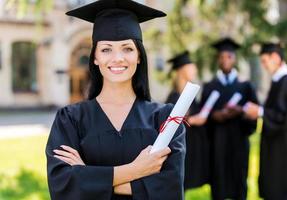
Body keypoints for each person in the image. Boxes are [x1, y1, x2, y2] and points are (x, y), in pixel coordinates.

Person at [45, 0, 186, 199]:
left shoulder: (165, 119)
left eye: (127, 48)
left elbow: (170, 188)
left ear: (139, 56)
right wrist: (135, 170)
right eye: (106, 49)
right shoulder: (70, 119)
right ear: (95, 57)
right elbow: (62, 185)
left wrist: (87, 177)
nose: (117, 58)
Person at [201, 38, 258, 200]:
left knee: (239, 182)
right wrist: (214, 116)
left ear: (235, 59)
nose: (225, 60)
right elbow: (202, 117)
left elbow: (253, 117)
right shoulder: (209, 86)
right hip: (217, 145)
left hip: (239, 144)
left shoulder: (246, 86)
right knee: (218, 184)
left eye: (229, 56)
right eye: (221, 57)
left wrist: (241, 111)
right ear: (217, 59)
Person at [244, 43, 287, 200]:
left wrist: (260, 111)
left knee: (280, 190)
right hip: (275, 148)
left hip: (284, 150)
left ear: (275, 57)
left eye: (264, 60)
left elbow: (286, 117)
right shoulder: (279, 81)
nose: (263, 65)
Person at [165, 51, 210, 190]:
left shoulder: (191, 94)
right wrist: (192, 120)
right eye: (191, 66)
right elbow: (170, 124)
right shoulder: (174, 96)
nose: (195, 69)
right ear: (182, 69)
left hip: (192, 146)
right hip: (180, 148)